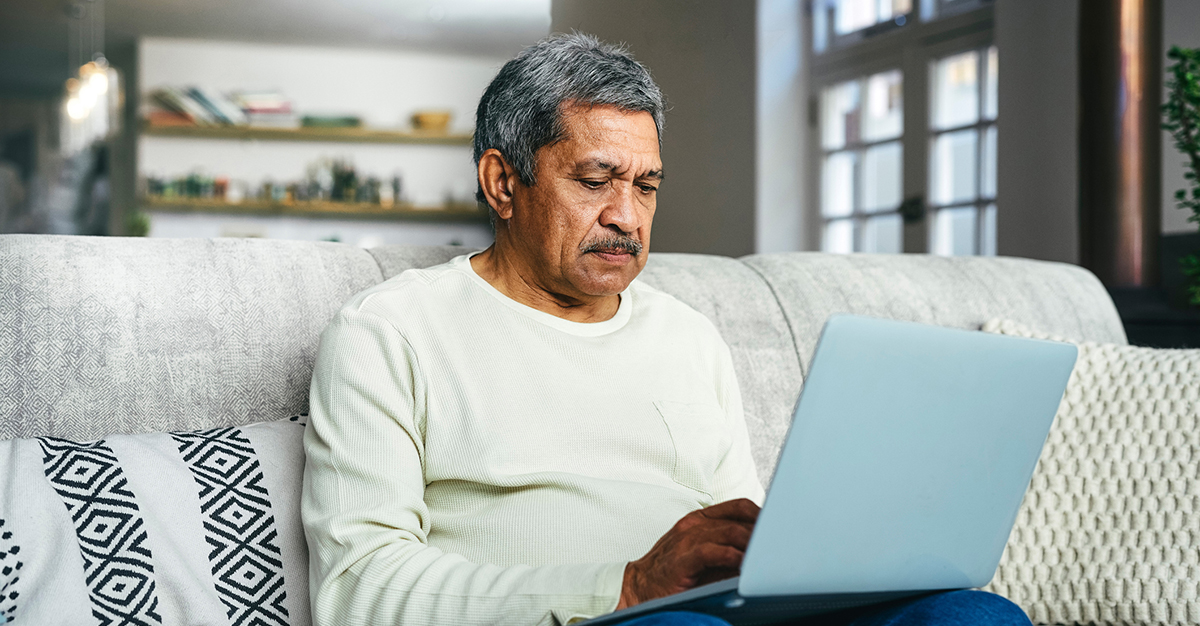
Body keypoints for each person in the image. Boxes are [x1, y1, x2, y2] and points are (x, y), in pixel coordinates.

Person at [301, 33, 1032, 626]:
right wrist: (623, 588)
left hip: (713, 619)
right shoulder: (389, 332)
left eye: (645, 186)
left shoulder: (689, 337)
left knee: (974, 616)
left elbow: (738, 542)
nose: (627, 216)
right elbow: (359, 590)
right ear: (502, 183)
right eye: (594, 181)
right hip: (598, 622)